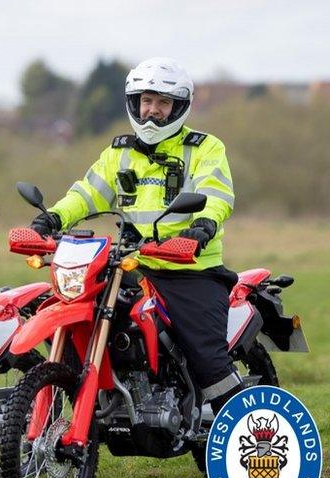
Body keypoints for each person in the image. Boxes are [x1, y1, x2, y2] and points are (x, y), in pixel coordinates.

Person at [29, 57, 242, 414]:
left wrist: (202, 227)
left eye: (162, 103)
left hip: (190, 268)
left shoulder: (204, 149)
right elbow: (87, 193)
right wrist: (51, 217)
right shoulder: (119, 153)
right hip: (131, 265)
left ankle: (242, 426)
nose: (151, 112)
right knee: (76, 310)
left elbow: (217, 194)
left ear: (179, 107)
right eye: (146, 102)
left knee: (207, 357)